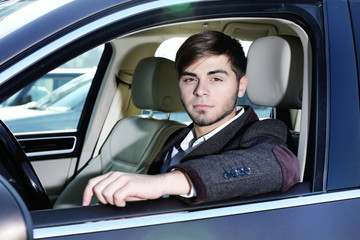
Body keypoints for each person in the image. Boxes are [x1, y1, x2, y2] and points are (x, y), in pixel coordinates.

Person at [82, 31, 300, 207]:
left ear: (241, 86)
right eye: (189, 79)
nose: (200, 91)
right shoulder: (176, 137)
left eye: (215, 78)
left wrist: (162, 183)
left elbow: (278, 165)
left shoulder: (264, 130)